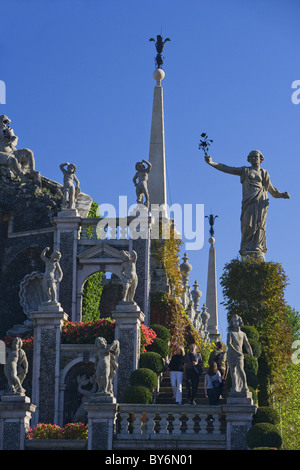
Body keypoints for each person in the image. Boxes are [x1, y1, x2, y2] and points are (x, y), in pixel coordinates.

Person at [205, 151, 290, 259]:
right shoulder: (245, 170)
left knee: (259, 225)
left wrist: (282, 195)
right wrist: (212, 163)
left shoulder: (264, 173)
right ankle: (246, 246)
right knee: (247, 224)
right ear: (248, 159)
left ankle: (257, 246)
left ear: (261, 159)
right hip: (249, 202)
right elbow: (228, 168)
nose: (254, 158)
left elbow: (272, 190)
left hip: (260, 202)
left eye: (256, 156)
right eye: (252, 156)